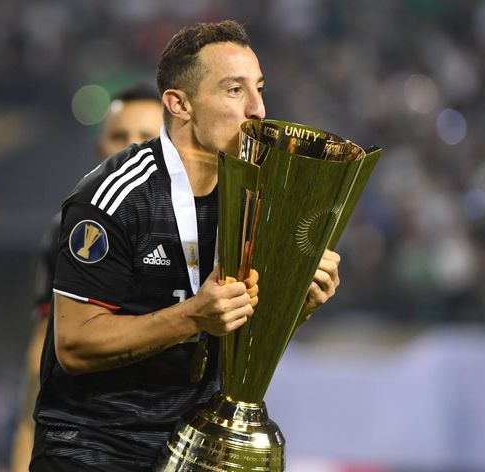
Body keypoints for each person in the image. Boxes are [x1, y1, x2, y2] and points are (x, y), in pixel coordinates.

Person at [30, 20, 341, 471]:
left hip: (190, 449)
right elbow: (74, 346)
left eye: (259, 88)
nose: (258, 109)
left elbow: (233, 340)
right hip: (94, 447)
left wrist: (298, 306)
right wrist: (194, 314)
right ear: (180, 104)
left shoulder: (256, 201)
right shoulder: (115, 198)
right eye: (234, 90)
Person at [10, 83, 164, 472]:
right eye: (119, 136)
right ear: (99, 150)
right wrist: (25, 440)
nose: (131, 148)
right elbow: (43, 344)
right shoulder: (71, 229)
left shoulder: (200, 225)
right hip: (91, 441)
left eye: (146, 138)